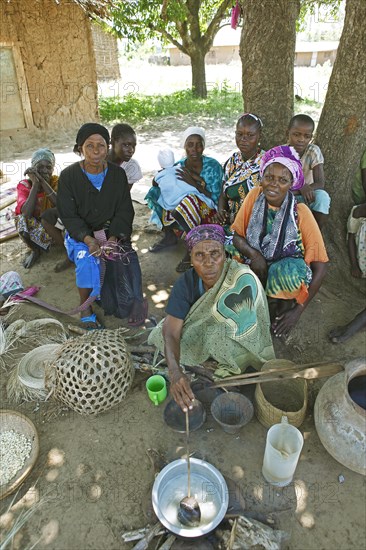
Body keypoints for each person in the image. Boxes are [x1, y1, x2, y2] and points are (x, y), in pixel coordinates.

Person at [148, 224, 275, 411]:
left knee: (219, 337)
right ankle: (207, 359)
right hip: (200, 333)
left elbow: (248, 327)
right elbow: (172, 332)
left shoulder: (242, 277)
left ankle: (229, 362)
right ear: (191, 259)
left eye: (215, 253)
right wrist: (175, 371)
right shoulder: (185, 283)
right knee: (162, 333)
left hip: (234, 340)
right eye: (199, 255)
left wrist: (215, 333)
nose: (208, 263)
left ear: (225, 255)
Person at [232, 145, 329, 339]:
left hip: (282, 272)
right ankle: (258, 305)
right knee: (227, 256)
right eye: (269, 177)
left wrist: (297, 313)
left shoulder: (301, 212)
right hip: (258, 262)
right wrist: (254, 254)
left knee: (287, 271)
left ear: (292, 184)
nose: (274, 185)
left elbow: (321, 267)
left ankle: (283, 310)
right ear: (261, 177)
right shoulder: (254, 196)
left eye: (282, 180)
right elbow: (236, 235)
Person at [57, 122, 147, 329]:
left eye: (101, 145)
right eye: (90, 146)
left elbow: (125, 210)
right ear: (80, 149)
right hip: (82, 236)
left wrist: (114, 239)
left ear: (107, 147)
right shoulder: (69, 177)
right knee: (85, 260)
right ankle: (85, 310)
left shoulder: (117, 175)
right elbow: (69, 216)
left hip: (111, 232)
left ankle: (135, 302)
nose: (96, 151)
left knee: (127, 258)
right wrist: (89, 241)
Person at [146, 126, 223, 272]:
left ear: (203, 146)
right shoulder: (178, 166)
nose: (195, 149)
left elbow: (216, 196)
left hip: (208, 209)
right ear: (184, 146)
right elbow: (161, 182)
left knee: (188, 200)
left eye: (199, 144)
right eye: (190, 144)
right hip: (183, 210)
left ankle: (192, 248)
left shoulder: (212, 166)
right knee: (158, 192)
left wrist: (194, 184)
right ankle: (169, 235)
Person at [215, 113, 265, 259]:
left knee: (232, 254)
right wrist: (221, 210)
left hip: (254, 227)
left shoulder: (266, 163)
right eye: (240, 134)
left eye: (250, 135)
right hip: (231, 223)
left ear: (259, 137)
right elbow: (223, 192)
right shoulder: (232, 161)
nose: (244, 139)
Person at [14, 148, 70, 270]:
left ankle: (69, 251)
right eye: (40, 167)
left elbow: (61, 206)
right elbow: (26, 213)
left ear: (53, 169)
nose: (44, 170)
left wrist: (44, 183)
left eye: (48, 167)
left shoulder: (57, 182)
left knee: (67, 213)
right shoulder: (24, 185)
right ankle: (35, 250)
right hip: (37, 232)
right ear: (33, 168)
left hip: (56, 229)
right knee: (20, 219)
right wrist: (35, 184)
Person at [287, 114, 330, 229]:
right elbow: (280, 185)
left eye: (307, 136)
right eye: (297, 134)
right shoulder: (282, 153)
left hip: (308, 196)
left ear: (311, 137)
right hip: (288, 195)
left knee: (322, 197)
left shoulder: (313, 151)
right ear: (288, 132)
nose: (301, 139)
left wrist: (305, 189)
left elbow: (320, 183)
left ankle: (316, 233)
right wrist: (301, 187)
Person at [107, 123, 143, 188]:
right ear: (113, 142)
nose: (131, 150)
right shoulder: (97, 159)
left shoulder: (132, 166)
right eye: (126, 145)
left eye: (134, 146)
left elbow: (123, 195)